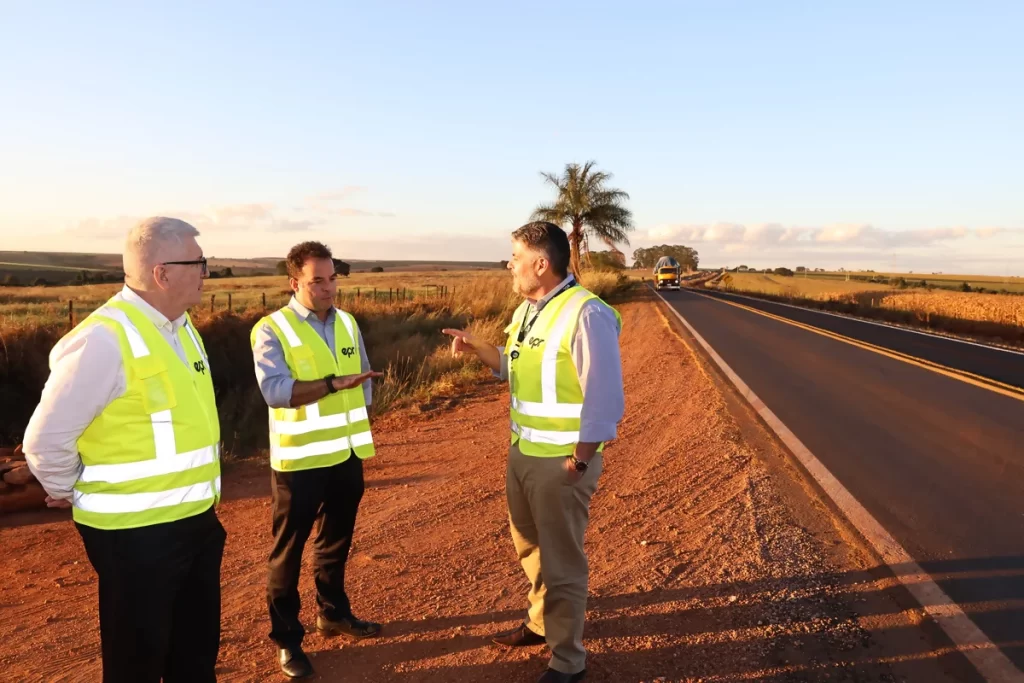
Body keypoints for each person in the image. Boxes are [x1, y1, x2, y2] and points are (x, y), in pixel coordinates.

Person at [23, 217, 226, 683]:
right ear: (162, 273)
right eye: (199, 263)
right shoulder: (103, 339)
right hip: (136, 538)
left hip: (194, 522)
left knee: (193, 658)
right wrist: (73, 490)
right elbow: (45, 439)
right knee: (137, 664)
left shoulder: (182, 328)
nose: (205, 272)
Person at [443, 221, 625, 683]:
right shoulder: (530, 310)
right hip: (523, 452)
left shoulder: (586, 313)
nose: (510, 265)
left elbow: (604, 400)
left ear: (541, 264)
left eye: (515, 257)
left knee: (561, 562)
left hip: (562, 461)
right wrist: (475, 347)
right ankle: (541, 622)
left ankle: (568, 661)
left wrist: (580, 460)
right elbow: (510, 366)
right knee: (530, 548)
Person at [251, 240, 383, 679]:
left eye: (333, 279)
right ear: (295, 282)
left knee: (335, 543)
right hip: (300, 463)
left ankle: (333, 615)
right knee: (287, 554)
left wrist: (360, 408)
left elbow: (362, 382)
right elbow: (276, 392)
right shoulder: (272, 329)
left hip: (346, 457)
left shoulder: (347, 322)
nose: (329, 289)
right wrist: (331, 385)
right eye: (317, 281)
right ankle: (288, 640)